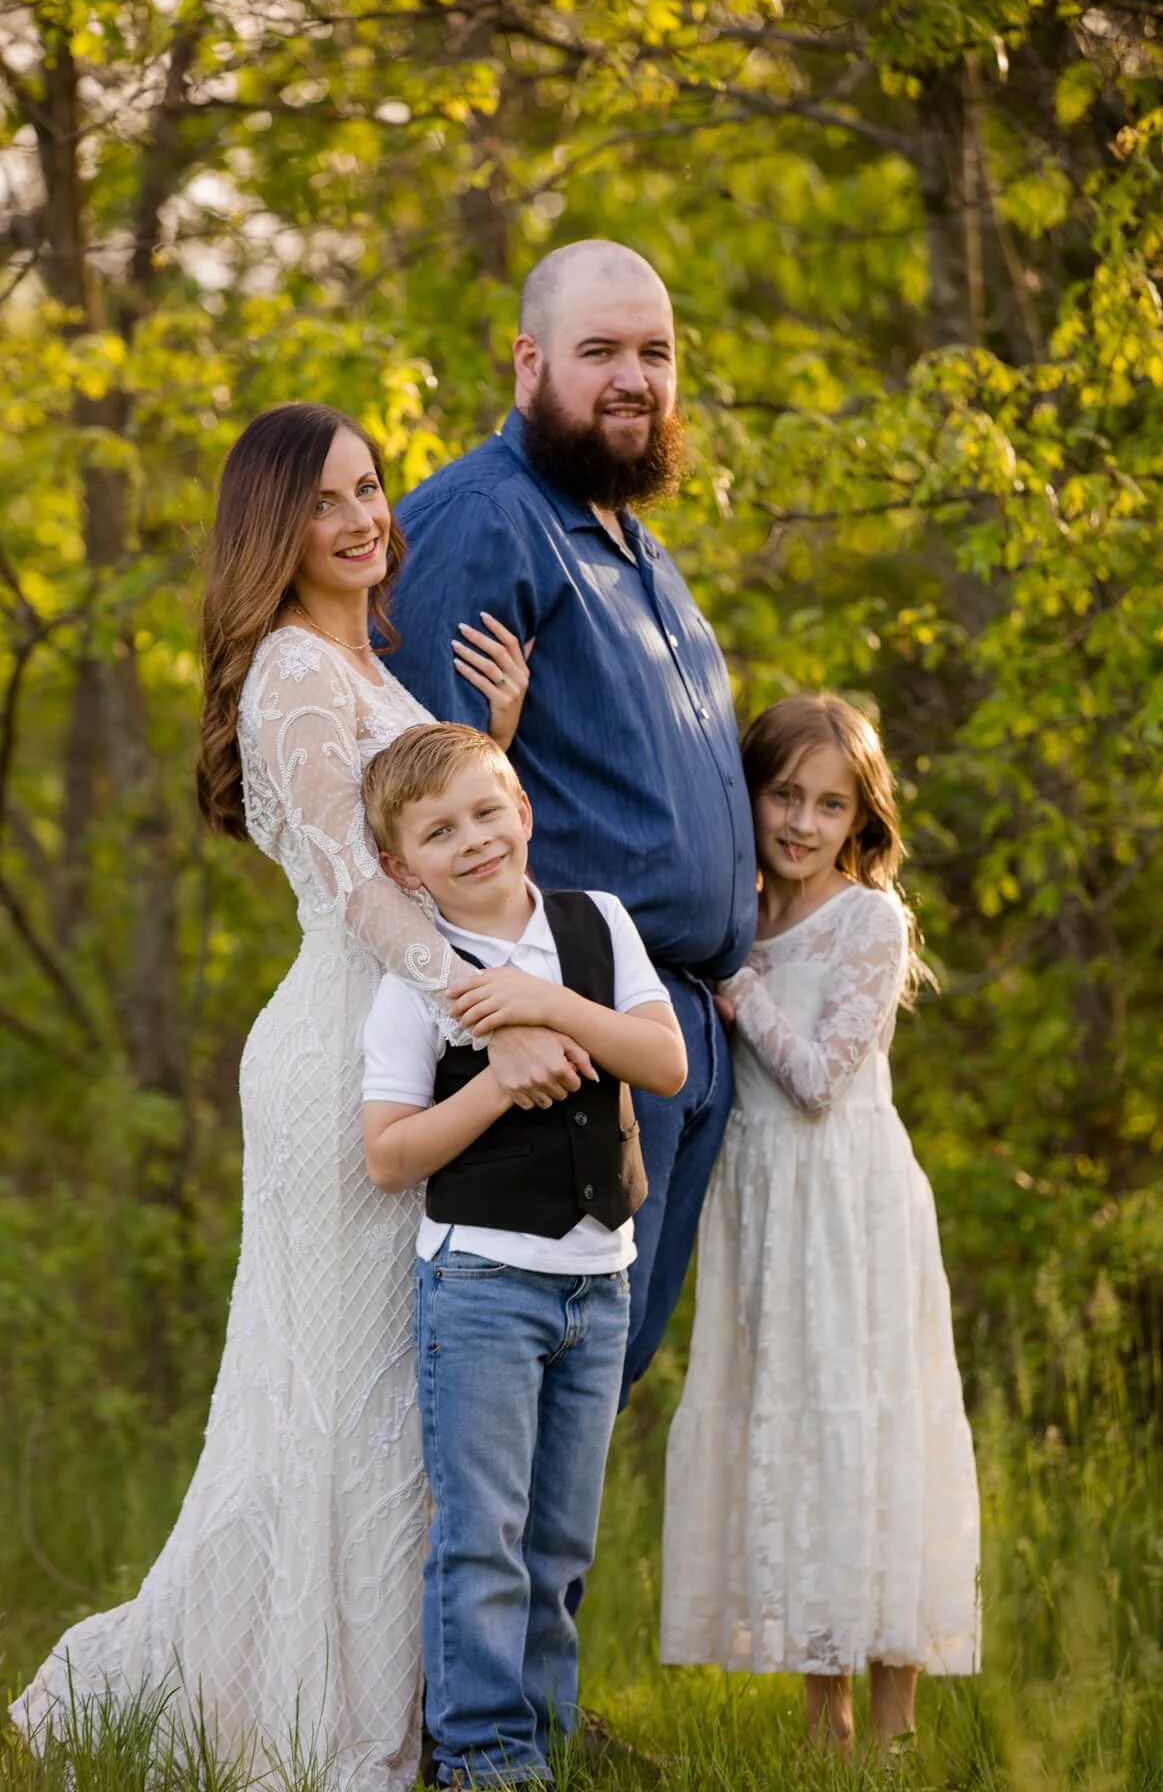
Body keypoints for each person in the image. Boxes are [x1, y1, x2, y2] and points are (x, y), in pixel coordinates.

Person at [10, 404, 585, 1789]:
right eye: (326, 499)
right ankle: (310, 1723)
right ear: (276, 527)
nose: (362, 516)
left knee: (396, 1391)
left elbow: (437, 839)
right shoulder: (289, 678)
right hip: (347, 1050)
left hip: (415, 1038)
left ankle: (397, 1705)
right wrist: (490, 1017)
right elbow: (368, 892)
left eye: (372, 486)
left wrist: (485, 742)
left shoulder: (364, 668)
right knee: (338, 1396)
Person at [386, 239, 758, 1403]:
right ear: (529, 362)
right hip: (566, 1046)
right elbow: (416, 814)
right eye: (600, 352)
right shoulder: (483, 523)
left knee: (597, 1405)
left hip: (680, 1037)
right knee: (527, 1428)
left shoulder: (644, 554)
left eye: (656, 353)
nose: (633, 378)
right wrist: (496, 1027)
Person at [358, 722, 686, 1789]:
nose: (475, 840)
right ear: (406, 869)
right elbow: (388, 1156)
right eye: (440, 832)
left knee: (560, 1545)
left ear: (524, 811)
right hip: (484, 1284)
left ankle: (544, 1734)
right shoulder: (419, 978)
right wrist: (493, 1081)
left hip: (602, 1280)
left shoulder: (597, 926)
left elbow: (668, 1062)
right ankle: (482, 1756)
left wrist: (548, 1004)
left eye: (488, 811)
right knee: (483, 1540)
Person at [660, 693, 981, 1756]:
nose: (801, 822)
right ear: (747, 793)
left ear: (861, 819)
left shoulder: (869, 921)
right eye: (783, 794)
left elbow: (819, 1079)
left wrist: (735, 984)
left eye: (830, 804)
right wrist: (729, 958)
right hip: (760, 1207)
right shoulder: (739, 917)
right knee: (791, 1433)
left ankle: (893, 1726)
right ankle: (822, 1722)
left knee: (867, 1429)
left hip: (847, 1204)